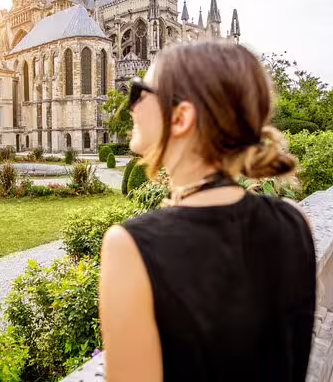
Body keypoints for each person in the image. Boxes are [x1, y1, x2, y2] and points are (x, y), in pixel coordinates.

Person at [99, 42, 316, 382]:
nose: (132, 103)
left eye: (141, 91)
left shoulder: (130, 247)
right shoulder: (295, 220)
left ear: (181, 117)